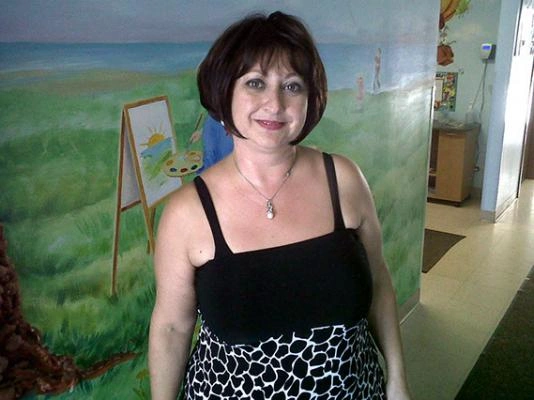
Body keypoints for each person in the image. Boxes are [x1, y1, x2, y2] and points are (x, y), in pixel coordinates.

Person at [149, 11, 411, 400]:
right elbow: (172, 328)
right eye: (255, 83)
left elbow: (380, 282)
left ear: (309, 99)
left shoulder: (344, 180)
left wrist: (397, 380)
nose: (274, 104)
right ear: (225, 91)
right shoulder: (187, 212)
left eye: (292, 86)